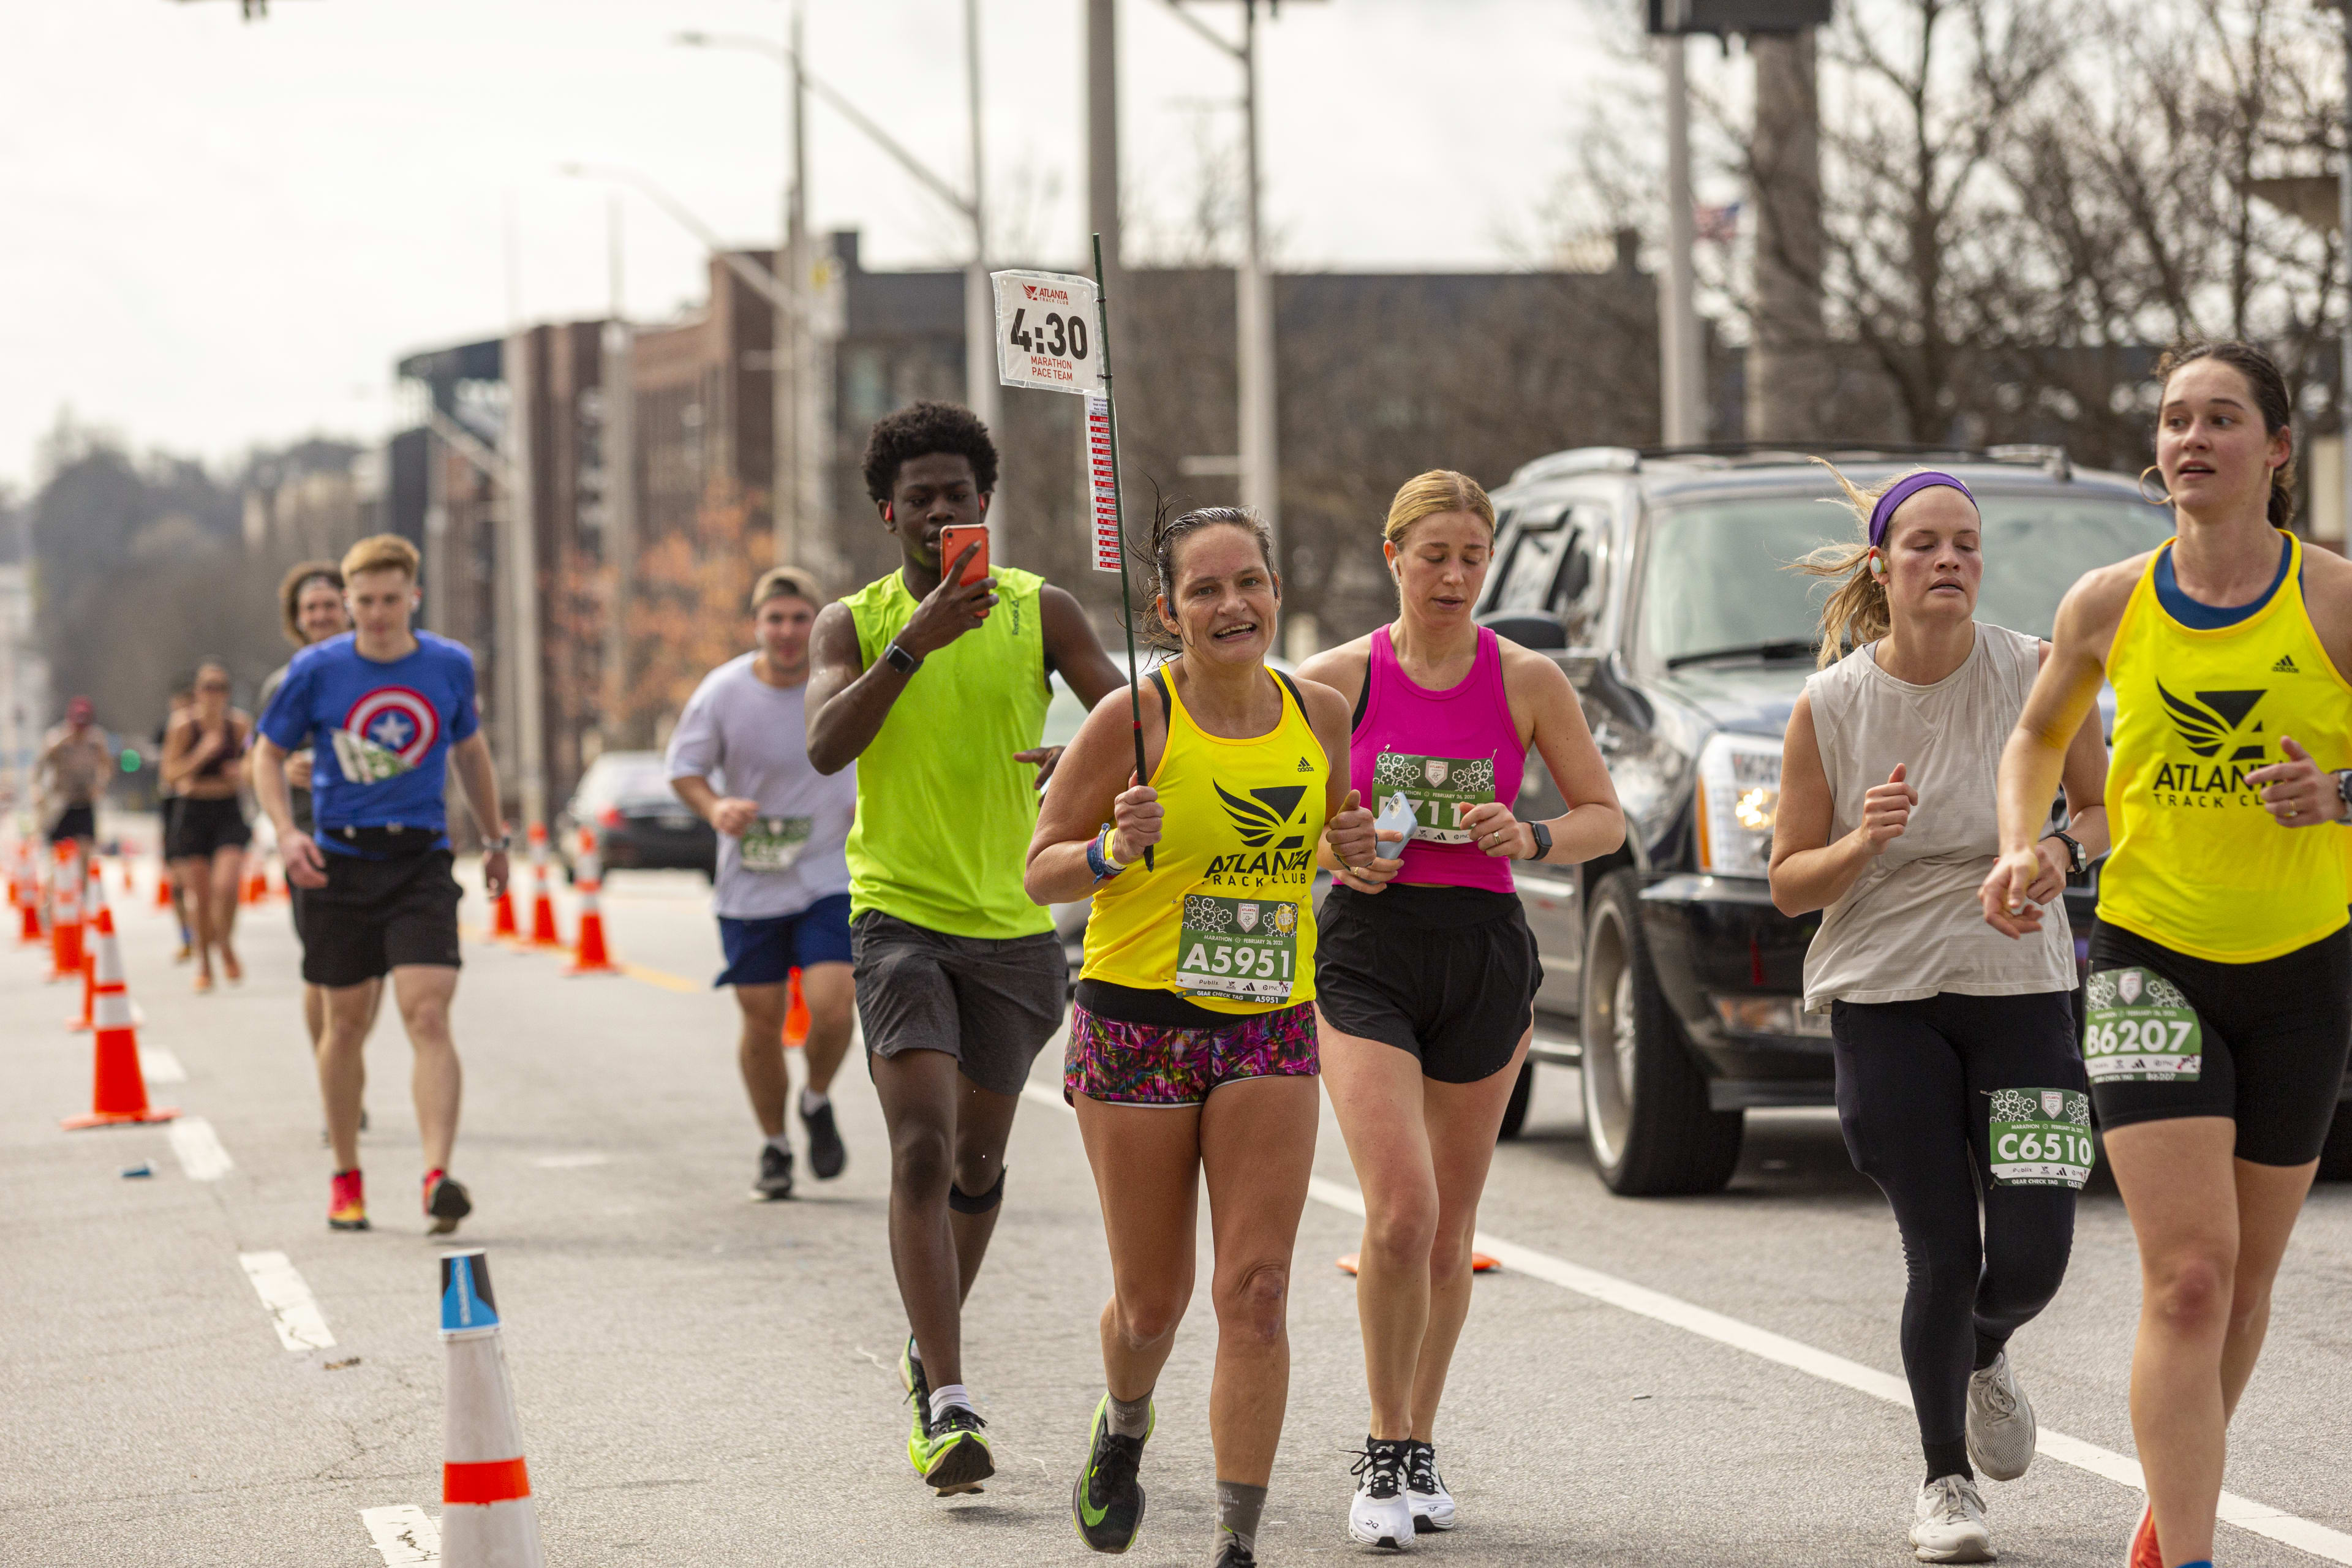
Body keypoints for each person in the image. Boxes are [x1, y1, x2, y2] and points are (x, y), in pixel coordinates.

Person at [1983, 341, 2352, 1568]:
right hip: (2150, 958)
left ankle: (2168, 1511)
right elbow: (2037, 737)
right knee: (2189, 1277)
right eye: (2175, 419)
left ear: (2278, 450)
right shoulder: (2108, 601)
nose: (2192, 438)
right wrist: (2026, 840)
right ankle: (2189, 1555)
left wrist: (2338, 794)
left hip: (2305, 965)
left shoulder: (2336, 602)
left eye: (2223, 418)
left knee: (2243, 1287)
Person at [1771, 462, 2109, 1564]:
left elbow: (2108, 811)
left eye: (1965, 542)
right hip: (1885, 999)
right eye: (1924, 544)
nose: (1949, 560)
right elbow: (1789, 882)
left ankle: (1986, 1352)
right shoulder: (1831, 703)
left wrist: (2058, 850)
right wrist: (1863, 842)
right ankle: (1944, 1481)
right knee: (1941, 1255)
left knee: (2036, 1248)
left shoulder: (2040, 671)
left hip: (2023, 989)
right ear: (1884, 566)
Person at [1295, 471, 1626, 1548]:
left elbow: (1604, 821)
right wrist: (1341, 844)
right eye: (1433, 554)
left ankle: (1420, 1440)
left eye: (1472, 557)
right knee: (1398, 1211)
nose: (1453, 574)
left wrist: (1529, 837)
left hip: (1483, 953)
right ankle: (1383, 1450)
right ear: (1393, 556)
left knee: (1448, 1227)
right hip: (1368, 953)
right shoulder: (1334, 681)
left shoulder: (1526, 680)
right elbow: (1268, 817)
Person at [805, 399, 1125, 1494]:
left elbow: (1140, 720)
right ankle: (946, 1398)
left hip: (1015, 927)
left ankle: (926, 1342)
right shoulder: (853, 624)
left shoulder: (1045, 609)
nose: (942, 511)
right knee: (921, 1151)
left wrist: (1084, 758)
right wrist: (913, 643)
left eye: (960, 494)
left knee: (981, 1164)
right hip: (897, 918)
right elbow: (822, 744)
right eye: (921, 498)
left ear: (986, 502)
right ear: (888, 512)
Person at [1030, 506, 1356, 1567]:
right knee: (1153, 1304)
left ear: (1274, 588)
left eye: (1250, 582)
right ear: (1167, 612)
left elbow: (1329, 845)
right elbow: (1040, 869)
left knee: (1257, 1291)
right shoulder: (1136, 716)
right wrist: (1113, 854)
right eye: (1207, 590)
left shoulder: (1321, 711)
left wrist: (1355, 850)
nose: (1234, 605)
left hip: (1268, 1022)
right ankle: (1124, 1428)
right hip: (1140, 1027)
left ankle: (1235, 1545)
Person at [252, 533, 512, 1237]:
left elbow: (469, 749)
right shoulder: (316, 670)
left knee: (427, 1014)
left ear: (412, 598)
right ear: (347, 601)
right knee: (345, 1023)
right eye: (361, 601)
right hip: (338, 860)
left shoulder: (448, 664)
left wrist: (494, 839)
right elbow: (267, 753)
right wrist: (285, 830)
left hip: (421, 860)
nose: (374, 614)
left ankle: (437, 1175)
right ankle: (346, 1174)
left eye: (389, 600)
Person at [668, 565, 860, 1200]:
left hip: (829, 870)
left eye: (799, 618)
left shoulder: (843, 685)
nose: (786, 631)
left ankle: (816, 1096)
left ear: (817, 623)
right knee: (762, 1019)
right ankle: (776, 1144)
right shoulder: (724, 691)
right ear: (756, 626)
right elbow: (686, 769)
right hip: (751, 880)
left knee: (834, 1004)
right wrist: (715, 808)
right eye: (774, 619)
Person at [257, 561, 380, 1134]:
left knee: (371, 977)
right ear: (296, 621)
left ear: (348, 608)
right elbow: (259, 762)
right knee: (324, 975)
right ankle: (338, 1086)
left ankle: (346, 1064)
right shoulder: (287, 683)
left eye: (330, 606)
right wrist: (290, 781)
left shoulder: (382, 671)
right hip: (312, 839)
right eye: (310, 610)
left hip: (381, 835)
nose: (321, 617)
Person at [161, 662, 252, 992]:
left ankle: (225, 942)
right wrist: (201, 754)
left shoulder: (239, 725)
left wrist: (241, 769)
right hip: (194, 813)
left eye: (220, 687)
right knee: (199, 895)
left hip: (228, 810)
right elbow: (170, 775)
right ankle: (205, 965)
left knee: (226, 887)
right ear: (197, 692)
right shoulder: (183, 726)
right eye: (207, 687)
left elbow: (256, 765)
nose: (214, 695)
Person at [37, 695, 113, 861]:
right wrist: (39, 792)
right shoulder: (57, 740)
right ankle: (56, 885)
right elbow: (39, 767)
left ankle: (83, 885)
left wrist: (100, 786)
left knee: (85, 850)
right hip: (62, 802)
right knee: (57, 853)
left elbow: (107, 766)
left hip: (85, 802)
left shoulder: (96, 741)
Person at [156, 686, 195, 962]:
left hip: (199, 807)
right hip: (172, 809)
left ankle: (204, 933)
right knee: (178, 882)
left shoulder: (203, 732)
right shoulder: (166, 732)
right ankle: (186, 935)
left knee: (202, 881)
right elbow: (166, 776)